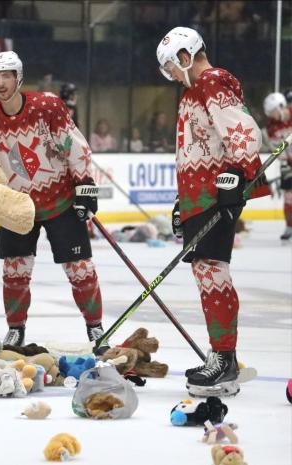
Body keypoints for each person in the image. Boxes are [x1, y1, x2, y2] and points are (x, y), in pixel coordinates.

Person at [157, 26, 269, 396]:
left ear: (186, 56)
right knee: (207, 276)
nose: (171, 74)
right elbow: (198, 149)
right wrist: (183, 201)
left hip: (214, 194)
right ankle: (220, 355)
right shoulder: (195, 90)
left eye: (171, 66)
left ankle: (223, 358)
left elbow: (244, 132)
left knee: (213, 275)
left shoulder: (210, 81)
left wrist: (236, 175)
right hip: (198, 196)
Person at [0, 51, 107, 350]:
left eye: (6, 75)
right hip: (17, 206)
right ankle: (16, 329)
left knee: (80, 268)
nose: (1, 82)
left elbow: (74, 144)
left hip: (61, 200)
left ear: (18, 77)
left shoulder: (47, 106)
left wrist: (85, 185)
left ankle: (95, 327)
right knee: (14, 270)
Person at [262, 92, 292, 241]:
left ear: (281, 106)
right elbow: (278, 148)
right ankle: (289, 226)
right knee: (289, 198)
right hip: (288, 163)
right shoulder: (271, 128)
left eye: (272, 111)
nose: (271, 116)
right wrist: (283, 160)